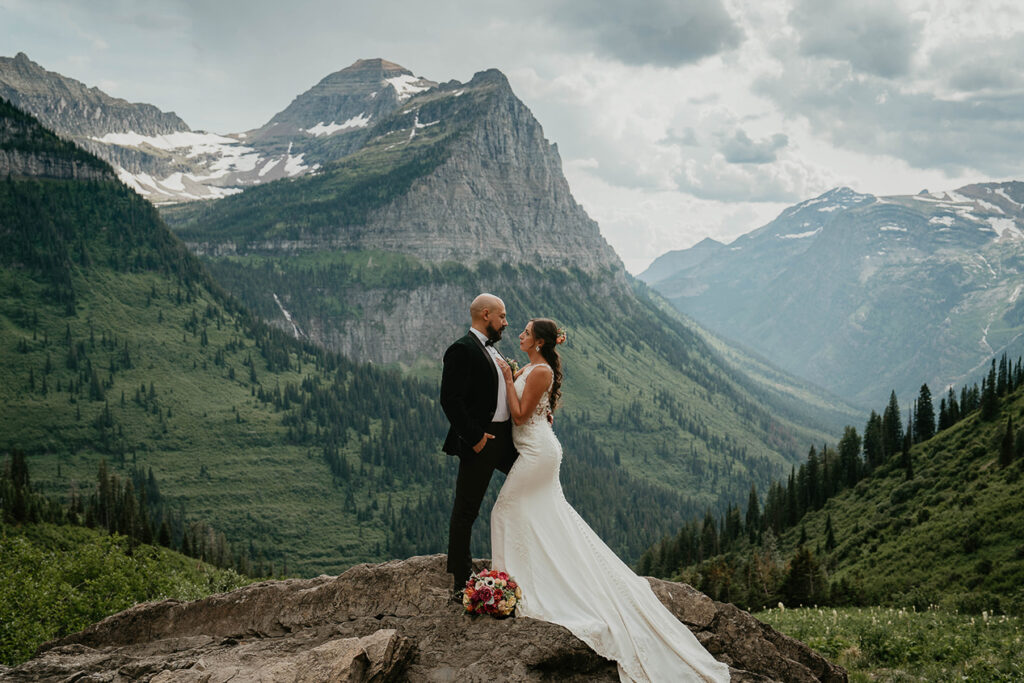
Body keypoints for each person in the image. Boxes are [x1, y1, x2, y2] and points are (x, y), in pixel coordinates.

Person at [491, 318, 731, 683]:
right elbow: (534, 410)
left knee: (505, 509)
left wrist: (508, 380)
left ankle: (515, 582)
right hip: (534, 448)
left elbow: (522, 414)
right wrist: (513, 376)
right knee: (540, 515)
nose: (519, 335)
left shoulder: (537, 371)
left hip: (537, 453)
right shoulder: (531, 366)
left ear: (538, 342)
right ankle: (525, 576)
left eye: (525, 332)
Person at [440, 293, 518, 596]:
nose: (506, 322)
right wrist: (474, 439)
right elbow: (450, 399)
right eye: (502, 316)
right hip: (482, 441)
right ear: (486, 315)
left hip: (506, 439)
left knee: (530, 485)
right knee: (466, 511)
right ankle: (461, 581)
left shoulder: (495, 351)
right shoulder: (461, 349)